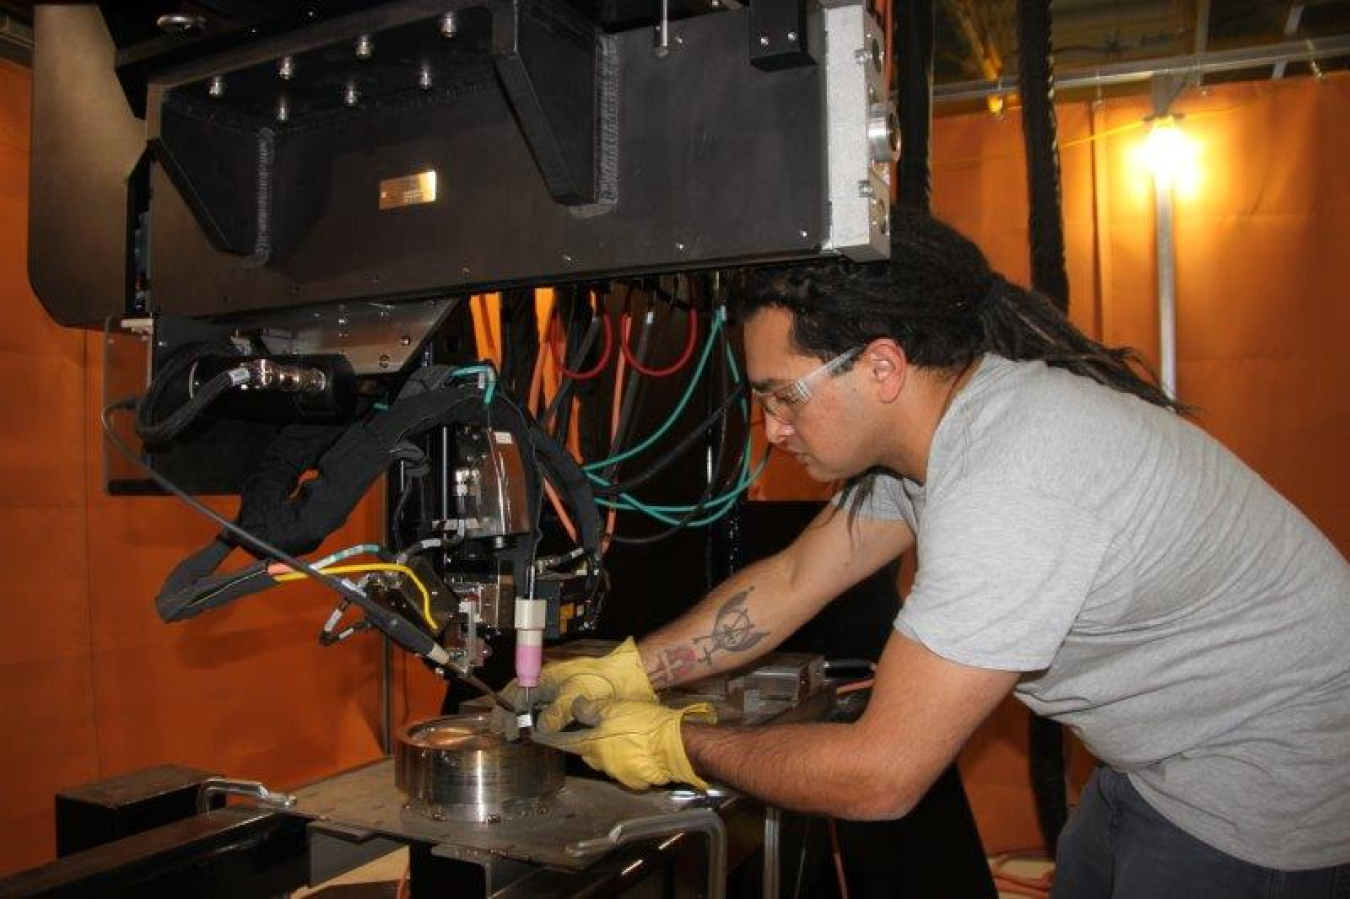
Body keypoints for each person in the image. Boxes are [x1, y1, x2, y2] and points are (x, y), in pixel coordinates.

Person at [528, 209, 1350, 897]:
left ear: (882, 365)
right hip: (1159, 760)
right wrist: (632, 670)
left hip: (1270, 783)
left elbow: (881, 775)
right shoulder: (939, 435)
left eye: (785, 395)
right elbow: (793, 579)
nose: (774, 430)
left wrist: (677, 741)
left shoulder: (1014, 478)